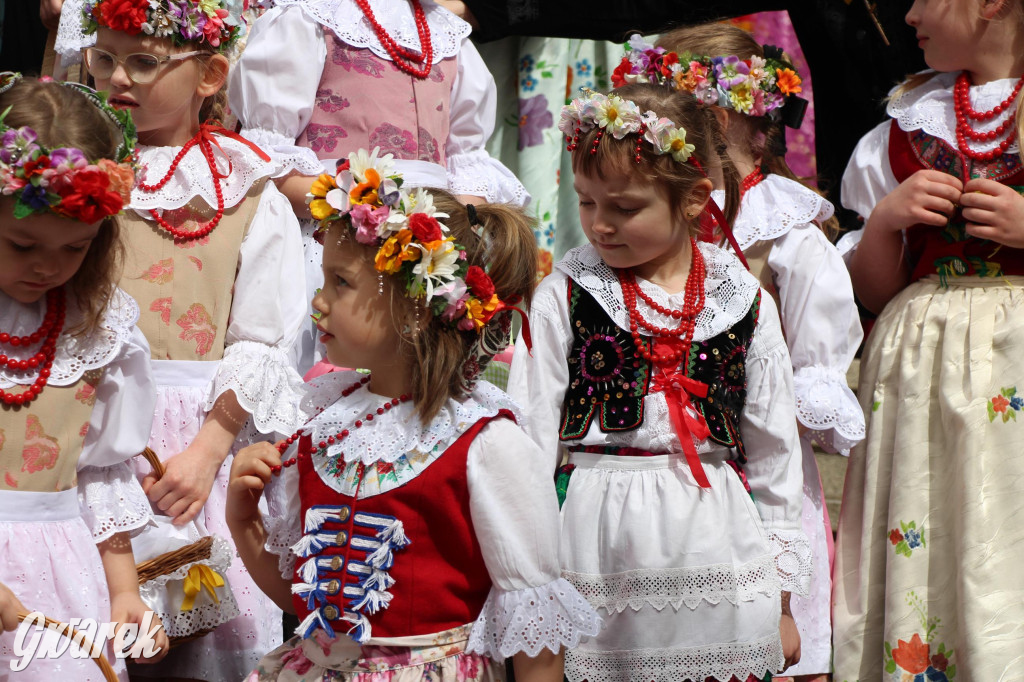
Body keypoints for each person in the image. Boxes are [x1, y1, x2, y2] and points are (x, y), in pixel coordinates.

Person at [224, 147, 601, 680]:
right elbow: (304, 602)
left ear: (415, 304)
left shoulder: (485, 444)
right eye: (324, 280)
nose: (319, 303)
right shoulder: (322, 428)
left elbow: (533, 636)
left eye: (342, 283)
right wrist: (244, 525)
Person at [507, 83, 811, 682]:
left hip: (716, 539)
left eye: (623, 208)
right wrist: (531, 594)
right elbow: (530, 444)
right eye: (587, 203)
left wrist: (779, 603)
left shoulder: (743, 299)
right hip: (595, 539)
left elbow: (776, 458)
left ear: (696, 199)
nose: (599, 225)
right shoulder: (564, 294)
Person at [614, 26, 862, 681]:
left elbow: (814, 396)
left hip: (760, 496)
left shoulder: (788, 243)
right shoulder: (643, 231)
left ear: (713, 119)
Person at [79, 1, 308, 678]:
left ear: (210, 74)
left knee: (200, 635)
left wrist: (209, 450)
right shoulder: (77, 174)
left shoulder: (246, 190)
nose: (118, 78)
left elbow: (266, 337)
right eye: (104, 57)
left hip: (197, 446)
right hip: (94, 437)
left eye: (144, 61)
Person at [832, 0, 1024, 678]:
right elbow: (874, 293)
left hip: (1017, 369)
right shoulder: (907, 122)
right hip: (920, 371)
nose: (908, 11)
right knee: (933, 522)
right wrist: (886, 224)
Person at [228, 0, 529, 372]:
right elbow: (268, 163)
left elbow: (467, 163)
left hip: (428, 249)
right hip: (333, 245)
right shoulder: (311, 19)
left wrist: (448, 235)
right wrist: (364, 213)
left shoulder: (448, 37)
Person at [0, 73, 169, 678]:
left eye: (75, 249)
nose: (48, 266)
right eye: (23, 246)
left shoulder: (99, 330)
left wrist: (124, 593)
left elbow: (100, 473)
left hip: (61, 576)